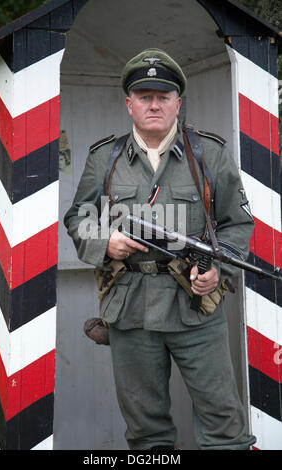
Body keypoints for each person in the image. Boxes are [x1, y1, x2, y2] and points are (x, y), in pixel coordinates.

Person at [64, 48, 256, 450]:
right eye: (145, 95)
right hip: (130, 309)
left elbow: (238, 225)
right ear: (129, 104)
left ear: (177, 103)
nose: (154, 104)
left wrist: (219, 271)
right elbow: (78, 219)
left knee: (225, 425)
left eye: (163, 96)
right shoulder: (106, 159)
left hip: (195, 309)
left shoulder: (210, 155)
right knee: (146, 432)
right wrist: (106, 242)